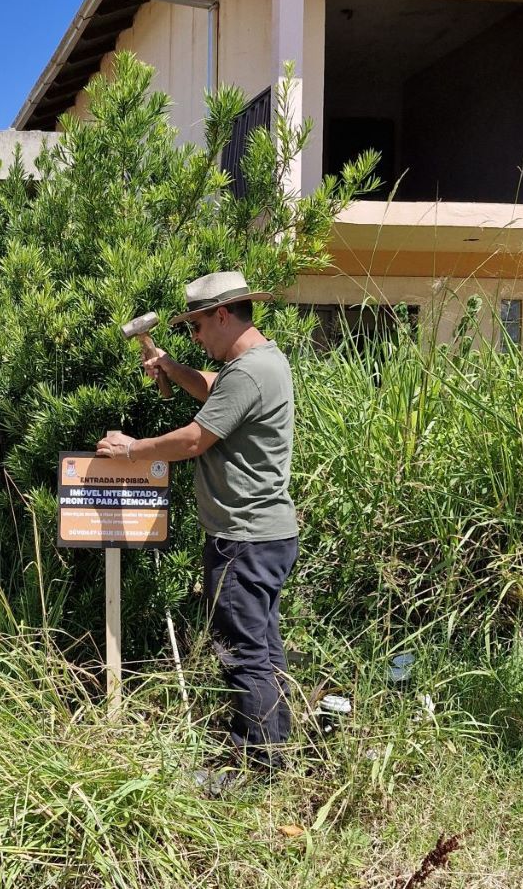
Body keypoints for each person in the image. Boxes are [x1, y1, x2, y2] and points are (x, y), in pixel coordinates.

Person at [96, 271, 298, 773]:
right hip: (266, 535)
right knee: (264, 649)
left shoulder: (248, 373)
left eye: (197, 327)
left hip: (243, 539)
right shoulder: (257, 364)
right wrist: (168, 364)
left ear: (223, 316)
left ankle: (252, 769)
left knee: (243, 654)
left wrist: (130, 451)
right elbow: (214, 390)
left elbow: (192, 440)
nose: (195, 338)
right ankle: (276, 753)